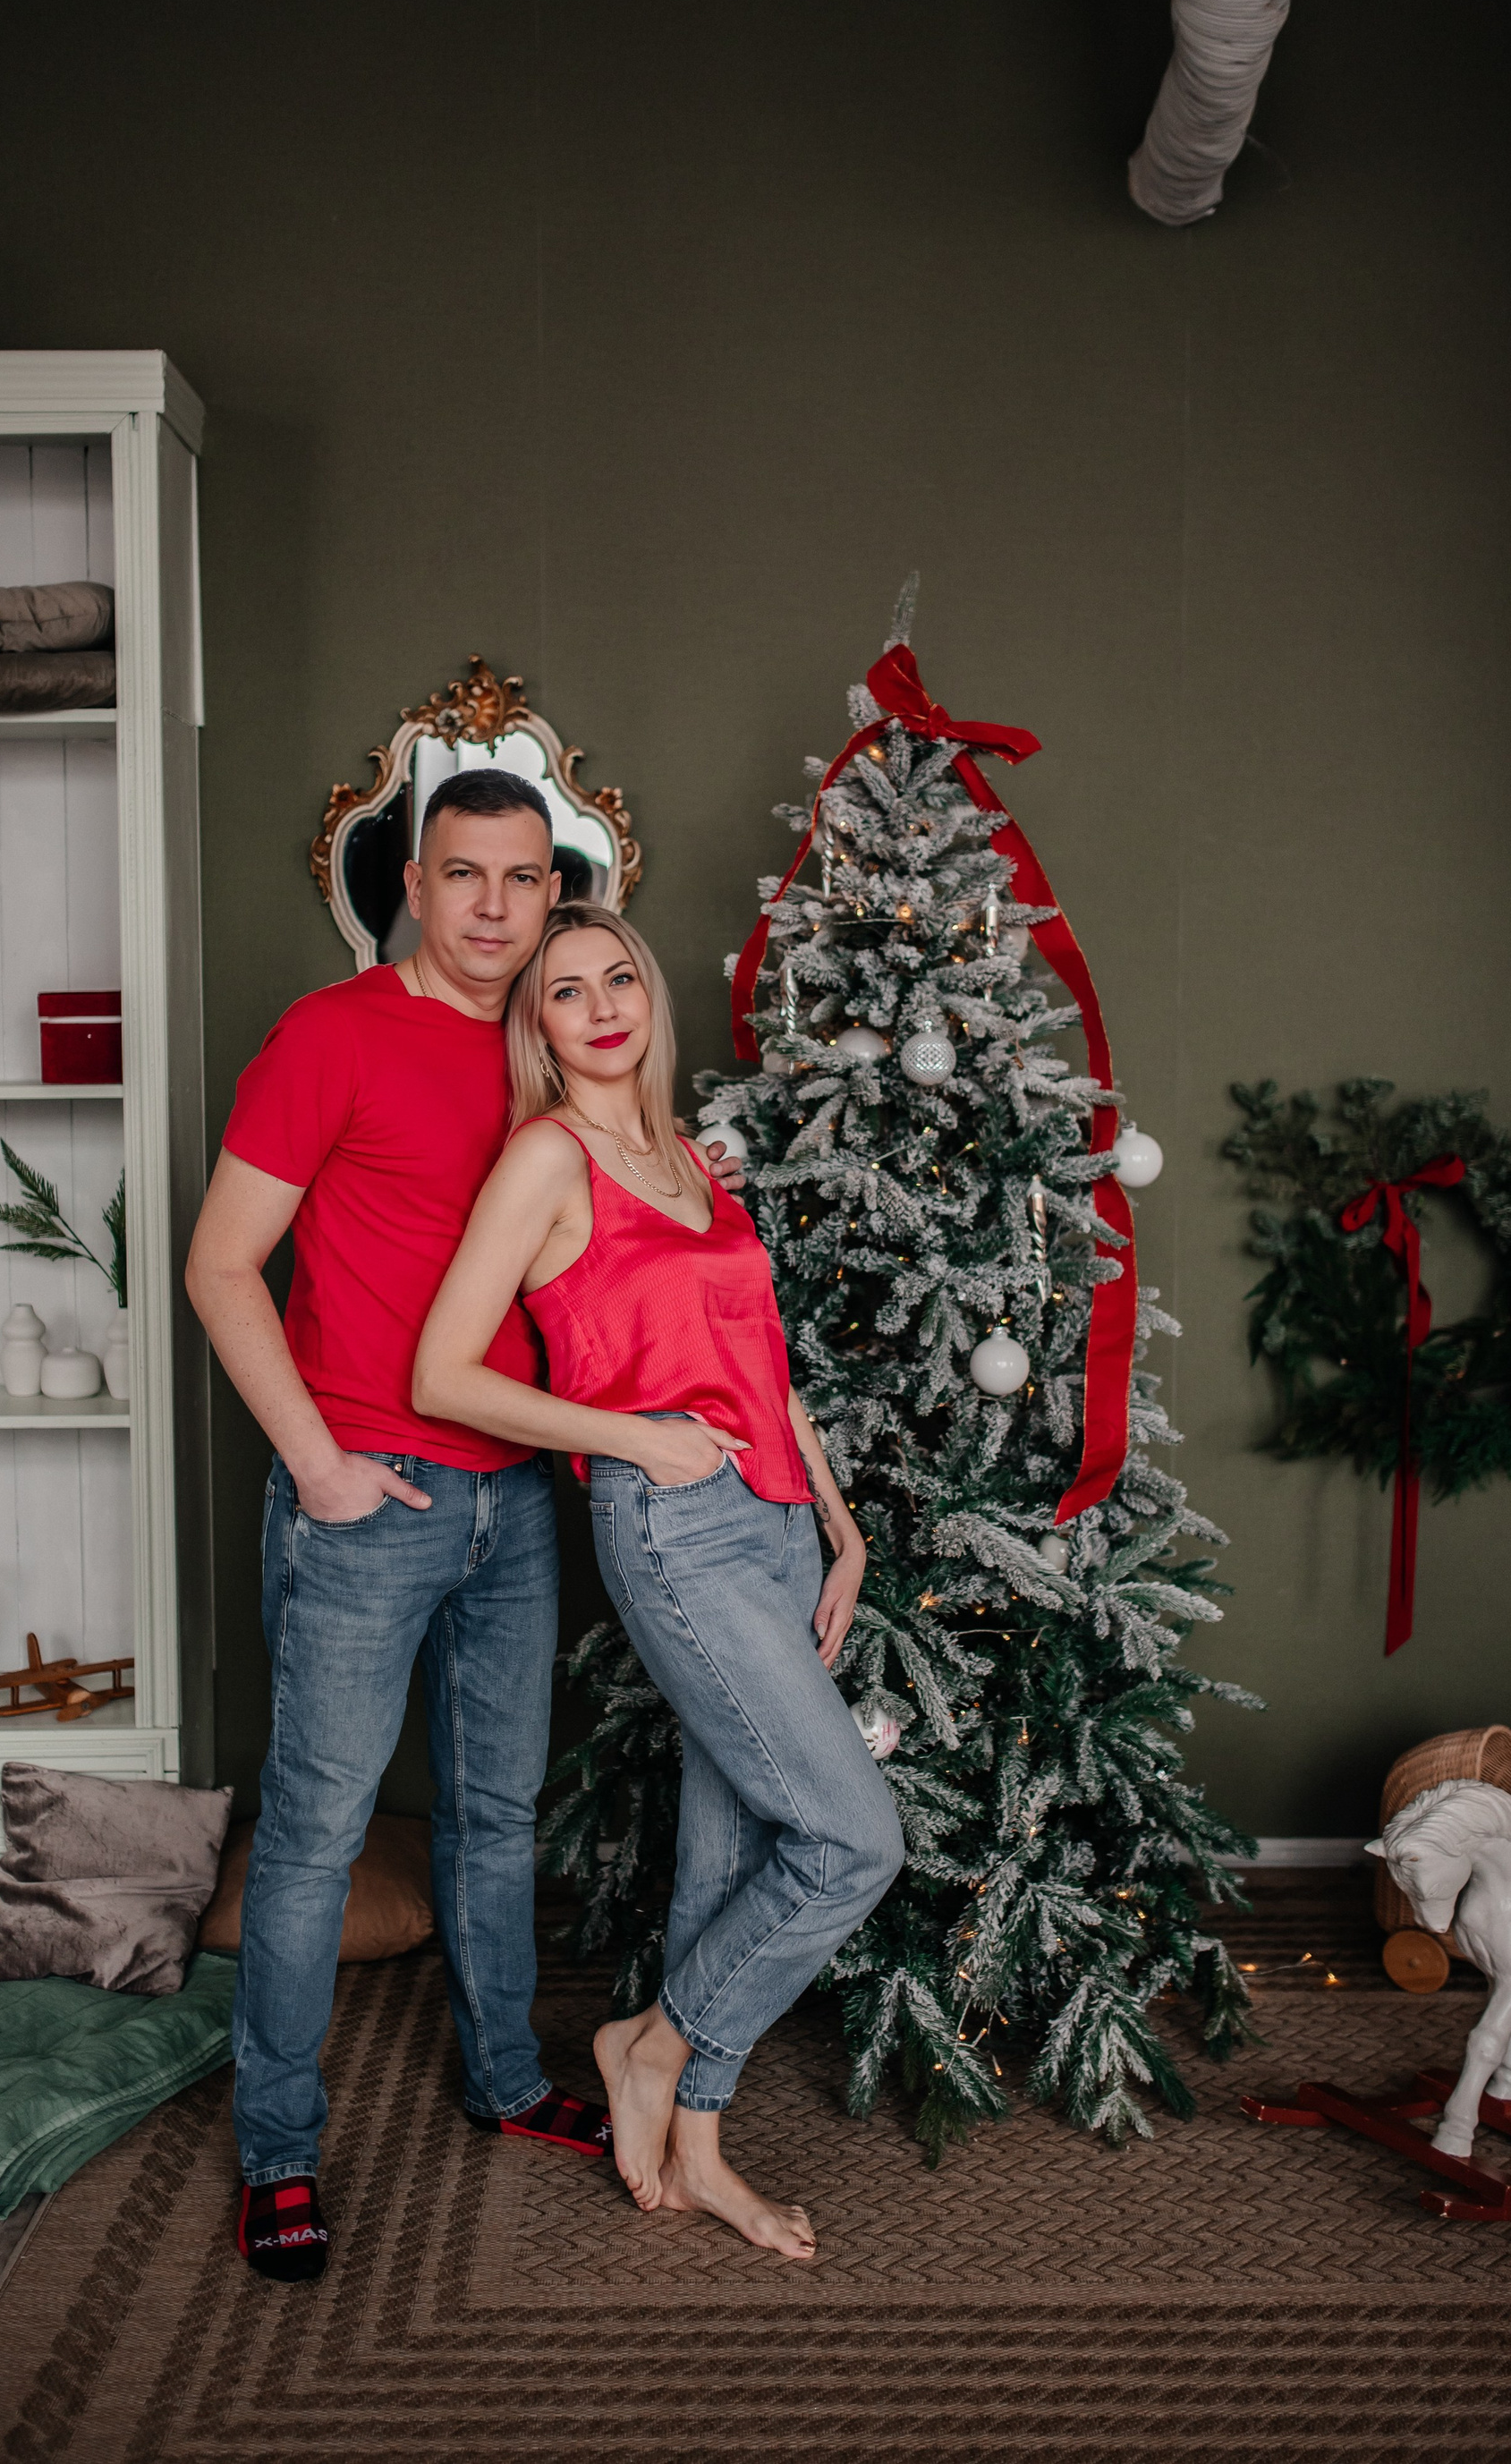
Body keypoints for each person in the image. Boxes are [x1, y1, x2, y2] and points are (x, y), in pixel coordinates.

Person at [186, 773, 744, 2286]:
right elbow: (221, 1266)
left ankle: (504, 2082)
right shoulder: (331, 1035)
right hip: (364, 1500)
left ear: (553, 894)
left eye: (521, 878)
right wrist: (317, 1467)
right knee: (315, 1833)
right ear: (413, 886)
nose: (494, 907)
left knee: (497, 1817)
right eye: (462, 875)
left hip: (519, 1498)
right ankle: (280, 2152)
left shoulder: (551, 1052)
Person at [413, 902, 904, 2261]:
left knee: (729, 1850)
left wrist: (842, 1526)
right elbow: (443, 1373)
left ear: (649, 993)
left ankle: (700, 2146)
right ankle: (649, 2042)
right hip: (676, 1526)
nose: (601, 1008)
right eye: (566, 991)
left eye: (618, 977)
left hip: (779, 1522)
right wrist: (634, 1437)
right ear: (538, 1026)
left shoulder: (688, 1157)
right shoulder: (546, 1157)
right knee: (854, 1842)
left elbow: (761, 1357)